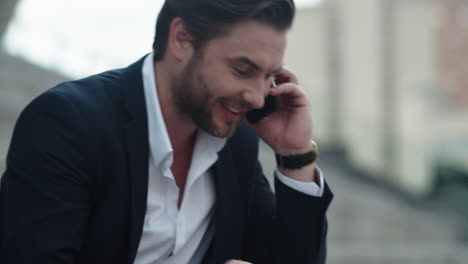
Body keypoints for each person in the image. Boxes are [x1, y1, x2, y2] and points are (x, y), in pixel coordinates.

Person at [0, 0, 333, 263]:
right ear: (182, 40)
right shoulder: (68, 122)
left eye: (268, 77)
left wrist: (295, 155)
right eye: (243, 69)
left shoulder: (236, 142)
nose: (257, 97)